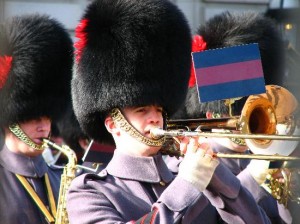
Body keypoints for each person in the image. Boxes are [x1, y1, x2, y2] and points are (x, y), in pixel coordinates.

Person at [66, 1, 272, 223]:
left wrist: (217, 175)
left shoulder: (193, 181)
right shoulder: (90, 191)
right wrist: (187, 184)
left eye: (159, 109)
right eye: (142, 109)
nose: (155, 118)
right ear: (113, 124)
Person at [171, 11, 298, 224]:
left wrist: (287, 195)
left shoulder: (261, 156)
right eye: (240, 111)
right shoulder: (192, 162)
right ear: (213, 114)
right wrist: (253, 178)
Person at [0, 14, 73, 224]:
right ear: (9, 119)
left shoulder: (63, 178)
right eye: (33, 118)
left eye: (48, 117)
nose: (44, 128)